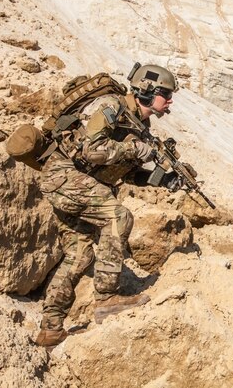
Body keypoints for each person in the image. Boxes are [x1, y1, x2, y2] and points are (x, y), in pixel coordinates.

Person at [35, 64, 183, 347]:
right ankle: (106, 299)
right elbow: (92, 150)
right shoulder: (110, 105)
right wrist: (135, 149)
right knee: (119, 217)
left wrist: (160, 180)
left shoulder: (140, 126)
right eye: (165, 94)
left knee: (79, 256)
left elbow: (122, 172)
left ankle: (50, 328)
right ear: (147, 90)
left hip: (77, 183)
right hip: (63, 175)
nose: (170, 101)